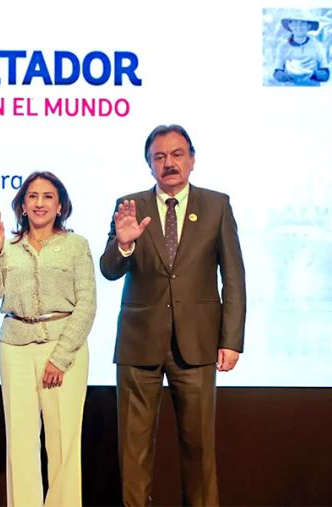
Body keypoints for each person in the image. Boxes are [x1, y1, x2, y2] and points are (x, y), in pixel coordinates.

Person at [99, 124, 246, 506]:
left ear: (192, 160)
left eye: (177, 154)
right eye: (159, 157)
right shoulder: (129, 205)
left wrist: (231, 340)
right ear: (149, 164)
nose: (169, 163)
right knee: (133, 454)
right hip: (138, 344)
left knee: (199, 451)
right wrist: (124, 244)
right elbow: (110, 269)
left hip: (197, 344)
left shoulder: (216, 205)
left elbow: (233, 276)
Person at [0, 171, 96, 507]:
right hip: (15, 346)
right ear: (22, 205)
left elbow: (87, 304)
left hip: (64, 347)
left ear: (60, 206)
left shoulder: (76, 245)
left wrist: (60, 357)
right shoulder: (7, 247)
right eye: (32, 196)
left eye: (47, 196)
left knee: (63, 442)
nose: (39, 203)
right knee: (20, 440)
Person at [273, 13, 330, 85]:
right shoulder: (282, 47)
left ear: (309, 26)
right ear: (290, 25)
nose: (298, 26)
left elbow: (326, 74)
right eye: (295, 22)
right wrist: (289, 74)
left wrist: (312, 73)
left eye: (302, 22)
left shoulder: (317, 46)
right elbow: (277, 72)